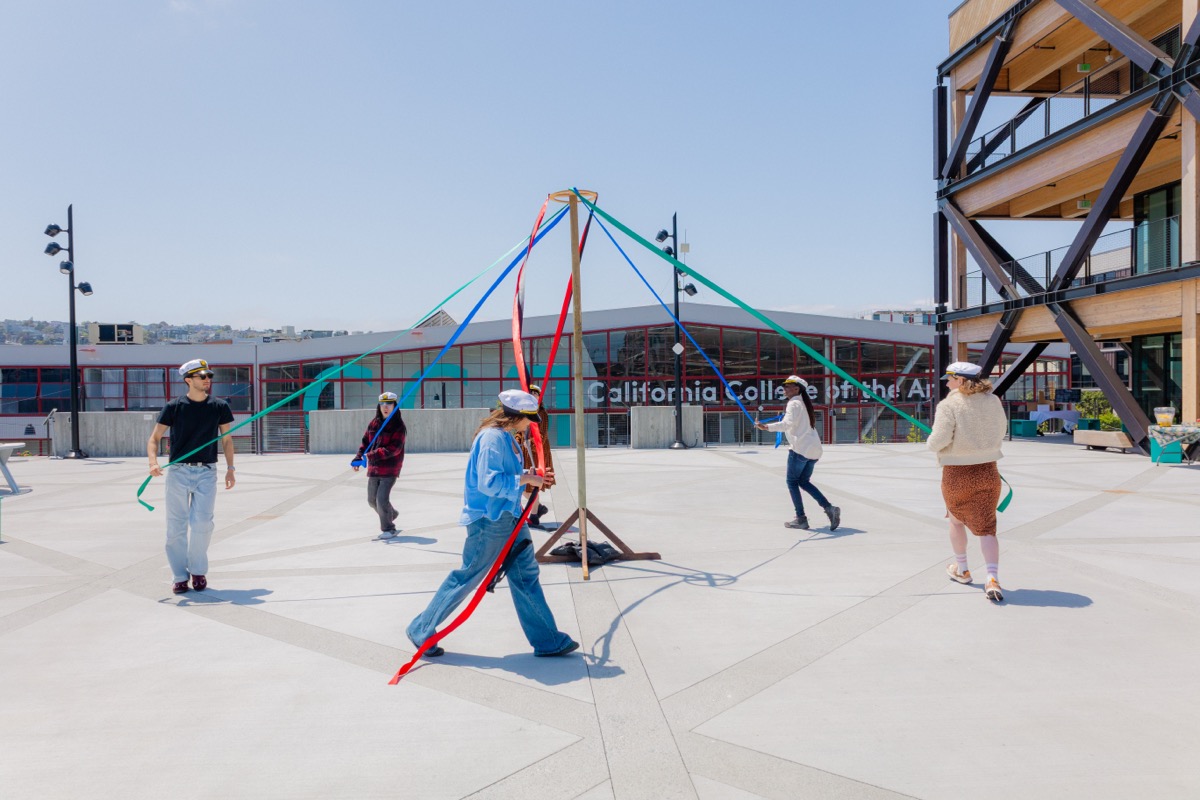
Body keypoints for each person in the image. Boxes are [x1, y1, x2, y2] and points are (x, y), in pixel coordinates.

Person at [406, 389, 578, 659]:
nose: (531, 424)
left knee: (526, 575)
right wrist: (525, 480)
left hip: (510, 515)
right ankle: (420, 628)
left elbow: (505, 475)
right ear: (516, 417)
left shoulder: (506, 437)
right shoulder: (492, 439)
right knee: (467, 576)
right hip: (490, 520)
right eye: (528, 419)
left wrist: (529, 475)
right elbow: (489, 483)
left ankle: (547, 640)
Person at [147, 359, 236, 595]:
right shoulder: (174, 407)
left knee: (202, 524)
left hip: (207, 471)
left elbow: (227, 440)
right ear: (188, 380)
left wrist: (230, 468)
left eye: (209, 377)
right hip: (178, 472)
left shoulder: (219, 406)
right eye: (202, 377)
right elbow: (154, 439)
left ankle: (198, 571)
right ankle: (179, 576)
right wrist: (153, 462)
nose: (208, 380)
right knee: (175, 528)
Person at [926, 361, 1009, 603]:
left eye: (950, 378)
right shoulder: (994, 401)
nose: (947, 383)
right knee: (987, 526)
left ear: (962, 380)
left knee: (956, 520)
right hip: (988, 470)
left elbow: (938, 439)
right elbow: (1000, 431)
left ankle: (962, 568)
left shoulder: (950, 404)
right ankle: (992, 577)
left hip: (957, 473)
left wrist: (930, 444)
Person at [756, 375, 840, 531]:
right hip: (813, 450)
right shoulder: (803, 403)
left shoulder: (793, 403)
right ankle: (829, 508)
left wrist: (767, 427)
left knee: (792, 482)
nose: (784, 388)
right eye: (784, 386)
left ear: (797, 389)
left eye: (788, 386)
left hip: (800, 449)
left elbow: (787, 424)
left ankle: (801, 518)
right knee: (803, 482)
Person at [352, 391, 407, 540]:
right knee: (371, 500)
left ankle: (389, 528)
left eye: (389, 404)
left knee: (381, 500)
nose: (385, 407)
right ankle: (391, 514)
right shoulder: (374, 423)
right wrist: (358, 458)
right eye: (382, 404)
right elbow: (365, 443)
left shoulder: (398, 426)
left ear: (394, 406)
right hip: (374, 469)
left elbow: (394, 449)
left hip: (390, 469)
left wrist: (371, 455)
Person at [519, 384, 552, 528]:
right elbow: (519, 431)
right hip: (525, 452)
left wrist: (530, 444)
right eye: (530, 393)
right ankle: (538, 509)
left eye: (535, 393)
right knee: (525, 487)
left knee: (531, 486)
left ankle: (534, 515)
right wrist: (518, 442)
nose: (533, 395)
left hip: (537, 452)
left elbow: (542, 435)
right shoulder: (523, 411)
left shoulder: (541, 413)